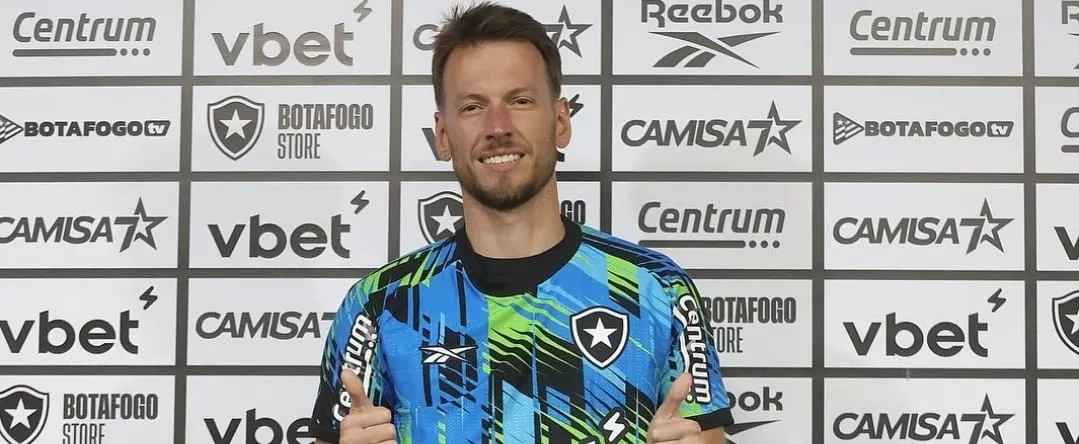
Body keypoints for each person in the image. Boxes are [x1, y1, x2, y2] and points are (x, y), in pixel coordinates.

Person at [308, 2, 734, 443]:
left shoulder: (658, 289)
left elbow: (705, 436)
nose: (498, 126)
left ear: (561, 121)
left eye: (520, 101)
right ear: (443, 135)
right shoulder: (379, 304)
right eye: (472, 107)